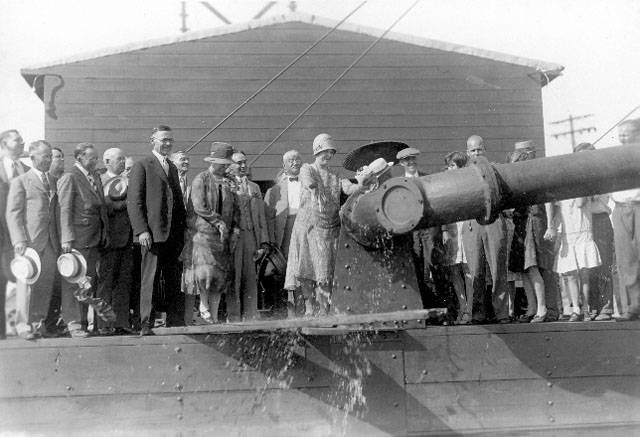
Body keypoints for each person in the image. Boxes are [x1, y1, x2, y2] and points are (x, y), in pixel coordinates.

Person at [127, 125, 186, 335]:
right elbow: (134, 201)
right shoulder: (142, 165)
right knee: (149, 279)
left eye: (171, 140)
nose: (168, 143)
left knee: (173, 279)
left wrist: (182, 232)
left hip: (172, 236)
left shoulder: (172, 167)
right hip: (151, 235)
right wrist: (142, 230)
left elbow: (178, 202)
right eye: (164, 140)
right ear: (153, 140)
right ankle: (145, 323)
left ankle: (175, 322)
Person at [6, 140, 61, 339]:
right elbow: (13, 213)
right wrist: (19, 240)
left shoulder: (55, 180)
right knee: (25, 285)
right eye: (44, 156)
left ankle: (38, 324)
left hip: (51, 242)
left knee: (45, 284)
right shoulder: (20, 181)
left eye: (50, 156)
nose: (48, 159)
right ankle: (22, 325)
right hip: (28, 243)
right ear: (32, 157)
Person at [285, 133, 341, 316]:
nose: (328, 155)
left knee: (325, 271)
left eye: (330, 152)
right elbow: (309, 182)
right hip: (307, 227)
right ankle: (309, 307)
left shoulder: (334, 176)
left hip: (326, 229)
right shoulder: (307, 168)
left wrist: (364, 183)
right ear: (317, 151)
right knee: (306, 270)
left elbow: (347, 187)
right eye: (325, 151)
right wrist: (316, 188)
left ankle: (324, 309)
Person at [58, 142, 108, 337]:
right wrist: (67, 239)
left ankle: (86, 323)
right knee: (73, 282)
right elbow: (65, 209)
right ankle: (73, 324)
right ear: (79, 158)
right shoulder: (70, 177)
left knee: (87, 283)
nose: (96, 161)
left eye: (96, 158)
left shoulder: (94, 176)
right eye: (92, 158)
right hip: (78, 240)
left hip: (94, 239)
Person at [461, 135, 510, 323]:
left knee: (498, 269)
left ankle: (501, 312)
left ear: (484, 150)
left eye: (479, 150)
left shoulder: (495, 169)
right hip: (472, 224)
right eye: (472, 150)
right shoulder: (463, 174)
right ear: (467, 152)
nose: (476, 153)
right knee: (475, 271)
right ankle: (478, 313)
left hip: (494, 221)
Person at [190, 142, 239, 323]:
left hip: (223, 237)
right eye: (223, 162)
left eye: (227, 163)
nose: (226, 166)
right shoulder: (201, 179)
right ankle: (203, 306)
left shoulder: (229, 182)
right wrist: (217, 222)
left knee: (220, 277)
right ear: (213, 161)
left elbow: (235, 208)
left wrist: (235, 228)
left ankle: (215, 315)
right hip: (205, 235)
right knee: (205, 273)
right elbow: (199, 206)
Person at [397, 146, 448, 313]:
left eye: (413, 159)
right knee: (417, 270)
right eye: (407, 160)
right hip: (411, 233)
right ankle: (424, 309)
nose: (411, 162)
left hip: (428, 231)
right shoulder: (399, 184)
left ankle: (445, 309)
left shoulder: (428, 179)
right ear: (401, 163)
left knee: (435, 266)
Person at [508, 142, 554, 323]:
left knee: (532, 266)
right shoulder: (516, 182)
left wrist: (550, 225)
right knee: (523, 269)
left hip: (532, 222)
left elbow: (548, 202)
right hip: (520, 223)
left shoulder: (535, 177)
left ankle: (542, 308)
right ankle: (532, 307)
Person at [573, 142, 618, 321]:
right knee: (588, 266)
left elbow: (599, 204)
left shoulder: (602, 175)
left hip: (600, 222)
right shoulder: (578, 177)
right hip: (584, 224)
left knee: (603, 265)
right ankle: (591, 306)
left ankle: (605, 308)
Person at [228, 151, 269, 320]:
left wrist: (264, 243)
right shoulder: (226, 185)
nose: (243, 166)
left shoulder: (255, 187)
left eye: (245, 162)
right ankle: (233, 317)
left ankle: (251, 316)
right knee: (234, 277)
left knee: (251, 278)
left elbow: (261, 216)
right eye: (239, 163)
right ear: (230, 166)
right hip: (234, 238)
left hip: (251, 236)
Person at [547, 194, 601, 322]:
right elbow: (558, 211)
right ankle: (576, 309)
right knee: (570, 275)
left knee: (584, 275)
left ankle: (586, 309)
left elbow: (580, 202)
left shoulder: (581, 187)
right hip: (568, 234)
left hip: (583, 232)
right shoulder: (561, 191)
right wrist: (553, 227)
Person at [97, 147, 134, 335]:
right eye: (119, 159)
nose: (122, 162)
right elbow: (103, 206)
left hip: (128, 239)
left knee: (123, 282)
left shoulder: (131, 180)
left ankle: (121, 322)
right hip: (109, 240)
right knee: (106, 284)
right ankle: (104, 324)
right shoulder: (100, 180)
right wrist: (122, 204)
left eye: (123, 159)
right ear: (106, 162)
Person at [264, 150, 302, 316]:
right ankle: (284, 311)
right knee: (284, 270)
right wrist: (271, 241)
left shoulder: (308, 184)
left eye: (297, 159)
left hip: (303, 227)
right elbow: (268, 217)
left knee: (303, 268)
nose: (295, 162)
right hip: (284, 231)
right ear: (284, 165)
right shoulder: (274, 191)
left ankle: (303, 308)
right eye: (291, 160)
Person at [0, 129, 29, 339]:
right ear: (3, 144)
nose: (22, 143)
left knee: (24, 280)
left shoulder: (27, 170)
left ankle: (23, 325)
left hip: (20, 236)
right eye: (17, 140)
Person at [611, 118, 640, 321]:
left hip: (638, 206)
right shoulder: (613, 156)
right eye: (620, 133)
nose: (622, 137)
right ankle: (632, 307)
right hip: (621, 209)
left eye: (626, 133)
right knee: (625, 259)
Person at [441, 151, 473, 324]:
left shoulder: (468, 183)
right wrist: (444, 229)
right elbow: (443, 208)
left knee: (467, 269)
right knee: (454, 269)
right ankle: (462, 306)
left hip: (466, 227)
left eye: (453, 165)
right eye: (449, 165)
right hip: (453, 229)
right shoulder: (446, 183)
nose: (449, 168)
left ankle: (470, 309)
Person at [170, 150, 198, 325]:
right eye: (182, 159)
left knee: (189, 279)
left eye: (188, 159)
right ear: (173, 163)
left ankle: (187, 319)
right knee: (172, 278)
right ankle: (172, 318)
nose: (186, 162)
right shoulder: (168, 182)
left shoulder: (192, 184)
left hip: (189, 239)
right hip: (171, 238)